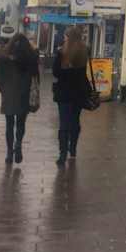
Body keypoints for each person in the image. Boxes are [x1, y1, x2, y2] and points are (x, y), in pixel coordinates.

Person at [0, 33, 39, 164]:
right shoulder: (30, 57)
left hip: (8, 91)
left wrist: (1, 88)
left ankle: (9, 153)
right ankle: (18, 143)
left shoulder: (4, 57)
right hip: (24, 92)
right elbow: (36, 75)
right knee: (21, 122)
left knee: (9, 124)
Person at [52, 27, 91, 166]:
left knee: (64, 121)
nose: (64, 38)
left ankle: (62, 154)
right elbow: (83, 72)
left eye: (65, 36)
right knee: (75, 119)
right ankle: (72, 147)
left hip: (64, 91)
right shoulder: (84, 52)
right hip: (79, 91)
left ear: (69, 38)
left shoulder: (62, 53)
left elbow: (56, 73)